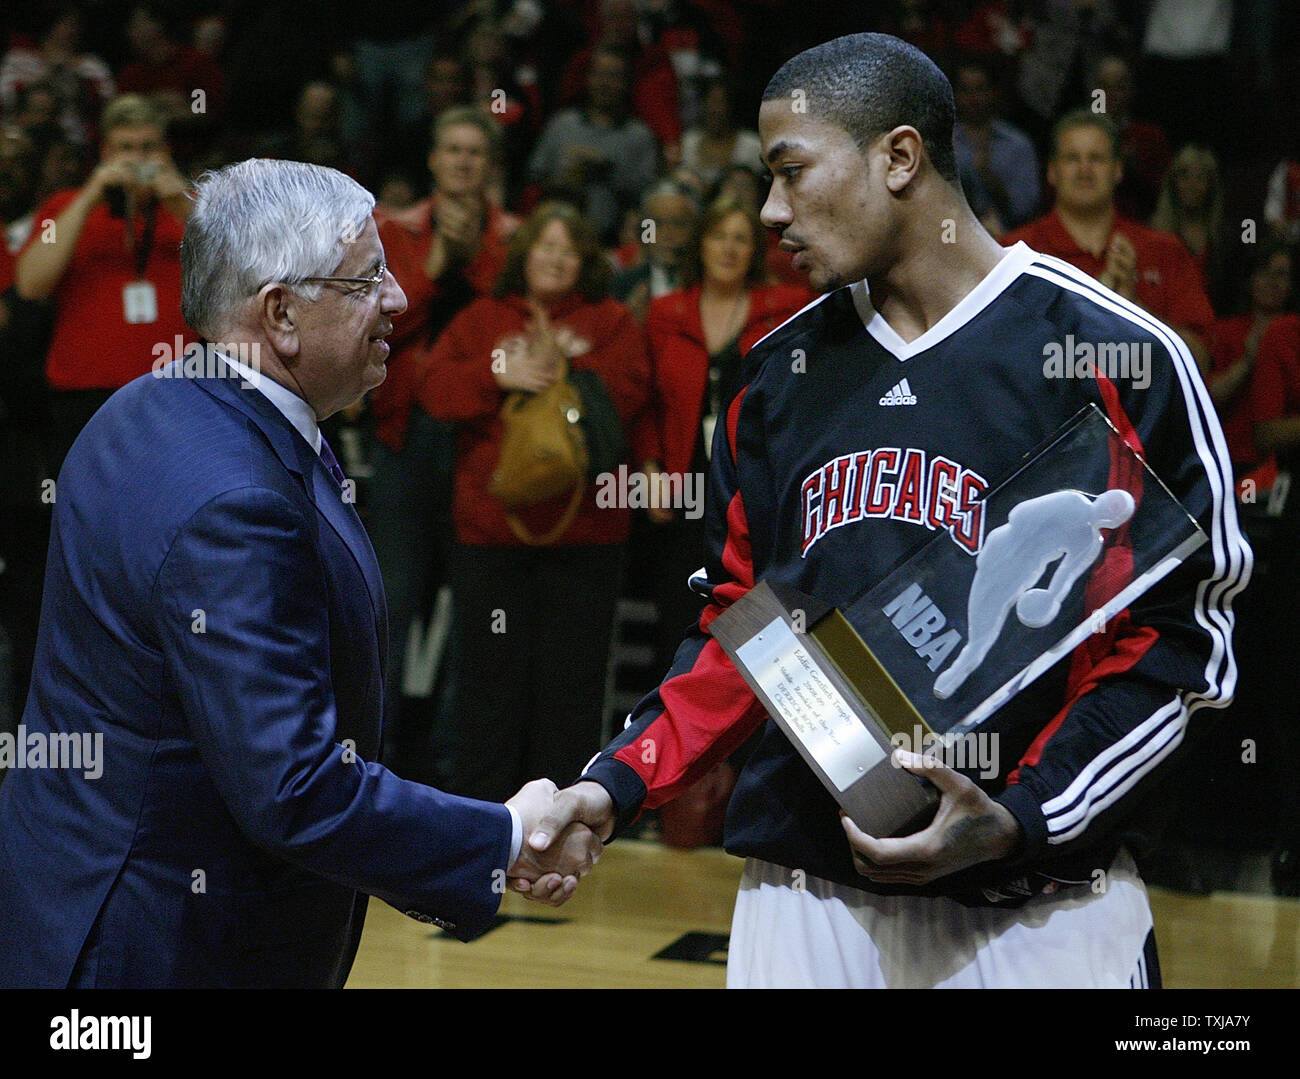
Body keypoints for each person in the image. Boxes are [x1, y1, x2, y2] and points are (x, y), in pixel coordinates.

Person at [526, 32, 1251, 988]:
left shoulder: (1116, 355)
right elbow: (745, 628)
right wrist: (615, 781)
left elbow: (1174, 650)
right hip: (809, 894)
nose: (770, 210)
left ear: (899, 157)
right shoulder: (776, 376)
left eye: (791, 172)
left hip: (1037, 904)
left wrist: (1022, 816)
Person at [0, 159, 600, 988]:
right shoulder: (235, 501)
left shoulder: (138, 407)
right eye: (366, 280)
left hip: (71, 901)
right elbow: (293, 786)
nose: (396, 298)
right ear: (280, 313)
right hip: (162, 945)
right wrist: (501, 834)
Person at [417, 201, 649, 804]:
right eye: (544, 247)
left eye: (568, 249)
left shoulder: (613, 321)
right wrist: (497, 375)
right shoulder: (481, 318)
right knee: (488, 683)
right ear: (524, 256)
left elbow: (629, 396)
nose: (555, 259)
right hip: (491, 537)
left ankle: (564, 817)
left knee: (571, 686)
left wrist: (565, 368)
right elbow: (434, 392)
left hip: (587, 537)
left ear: (586, 262)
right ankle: (485, 818)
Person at [368, 105, 518, 770]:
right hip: (405, 432)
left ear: (489, 165)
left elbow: (512, 317)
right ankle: (376, 749)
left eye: (474, 152)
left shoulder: (513, 238)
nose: (462, 162)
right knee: (391, 600)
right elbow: (375, 329)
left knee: (479, 609)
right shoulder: (391, 231)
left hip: (484, 439)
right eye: (451, 149)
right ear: (432, 160)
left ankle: (461, 761)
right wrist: (435, 261)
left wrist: (474, 257)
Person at [635, 192, 810, 677]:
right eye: (718, 236)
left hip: (753, 486)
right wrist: (648, 468)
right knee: (677, 613)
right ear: (701, 244)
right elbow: (643, 400)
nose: (729, 249)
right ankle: (671, 738)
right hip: (682, 483)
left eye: (741, 239)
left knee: (750, 613)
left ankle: (739, 742)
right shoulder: (665, 312)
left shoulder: (786, 308)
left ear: (756, 250)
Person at [13, 93, 193, 472]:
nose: (137, 158)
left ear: (165, 149)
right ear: (105, 152)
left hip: (177, 392)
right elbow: (29, 285)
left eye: (148, 147)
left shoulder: (190, 207)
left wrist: (181, 204)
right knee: (85, 519)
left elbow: (233, 271)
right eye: (124, 148)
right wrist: (90, 195)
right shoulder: (63, 207)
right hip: (83, 395)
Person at [1003, 109, 1215, 374]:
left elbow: (1200, 362)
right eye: (1072, 158)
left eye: (1096, 158)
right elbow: (992, 363)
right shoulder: (1012, 253)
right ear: (1052, 171)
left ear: (1117, 169)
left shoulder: (1166, 250)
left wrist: (1134, 306)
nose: (1084, 170)